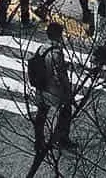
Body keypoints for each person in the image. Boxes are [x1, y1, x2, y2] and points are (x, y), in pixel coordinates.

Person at [31, 22, 75, 152]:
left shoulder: (41, 48)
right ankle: (61, 138)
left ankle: (39, 140)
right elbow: (60, 75)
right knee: (66, 110)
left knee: (42, 114)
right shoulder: (56, 52)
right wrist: (68, 91)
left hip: (41, 86)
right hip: (53, 89)